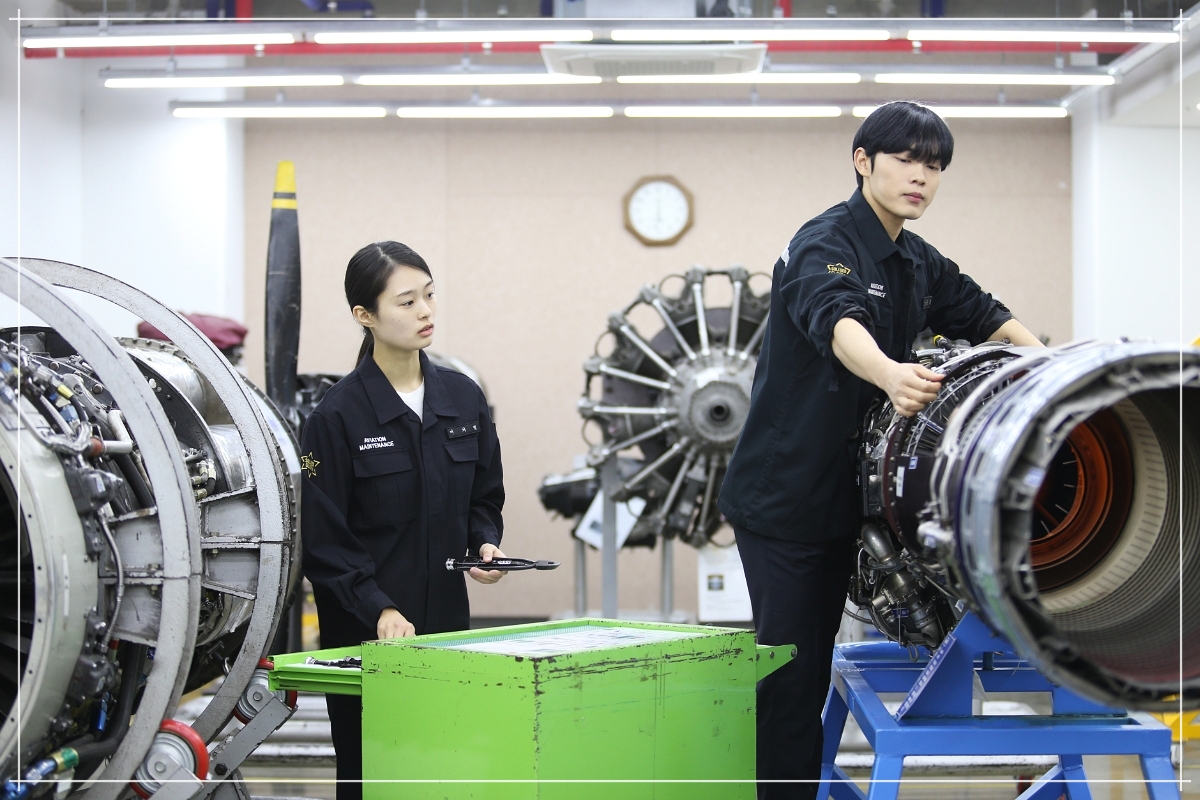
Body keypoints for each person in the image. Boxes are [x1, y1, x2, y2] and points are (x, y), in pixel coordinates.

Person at [717, 101, 1044, 799]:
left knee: (817, 663)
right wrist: (891, 374)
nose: (921, 176)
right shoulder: (822, 241)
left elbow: (984, 312)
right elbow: (837, 320)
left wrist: (1054, 368)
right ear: (862, 161)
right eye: (905, 160)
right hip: (787, 500)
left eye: (935, 166)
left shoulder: (915, 258)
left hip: (852, 498)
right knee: (793, 675)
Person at [300, 241, 507, 800]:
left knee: (446, 768)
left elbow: (484, 496)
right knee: (374, 775)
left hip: (447, 629)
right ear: (364, 315)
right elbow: (324, 540)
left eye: (430, 296)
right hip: (369, 634)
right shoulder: (335, 417)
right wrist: (379, 608)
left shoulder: (463, 398)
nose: (426, 312)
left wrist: (484, 544)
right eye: (407, 301)